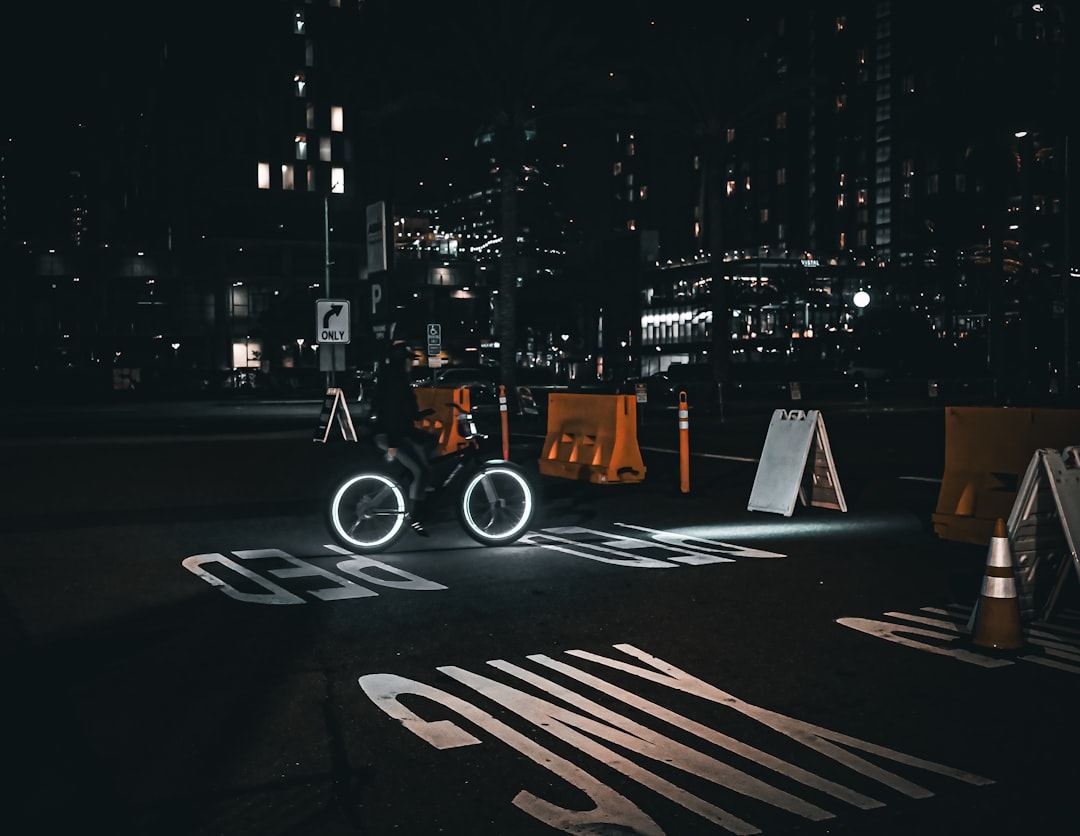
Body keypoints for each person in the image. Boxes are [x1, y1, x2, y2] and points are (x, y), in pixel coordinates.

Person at [370, 342, 437, 535]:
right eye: (410, 360)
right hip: (392, 434)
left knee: (431, 441)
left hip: (399, 431)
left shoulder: (395, 379)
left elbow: (403, 411)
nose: (413, 364)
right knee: (421, 471)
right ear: (402, 361)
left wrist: (419, 414)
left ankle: (421, 486)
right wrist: (393, 446)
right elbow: (393, 416)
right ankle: (414, 516)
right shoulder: (397, 383)